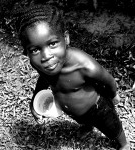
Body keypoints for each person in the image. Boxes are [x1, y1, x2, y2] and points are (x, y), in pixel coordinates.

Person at [12, 2, 130, 150]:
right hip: (73, 110)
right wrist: (34, 100)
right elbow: (43, 79)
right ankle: (88, 126)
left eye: (53, 44)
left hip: (98, 107)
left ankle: (124, 143)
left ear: (66, 38)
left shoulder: (84, 65)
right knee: (82, 120)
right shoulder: (42, 65)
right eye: (35, 50)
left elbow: (108, 80)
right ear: (26, 52)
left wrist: (113, 95)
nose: (46, 56)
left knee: (111, 127)